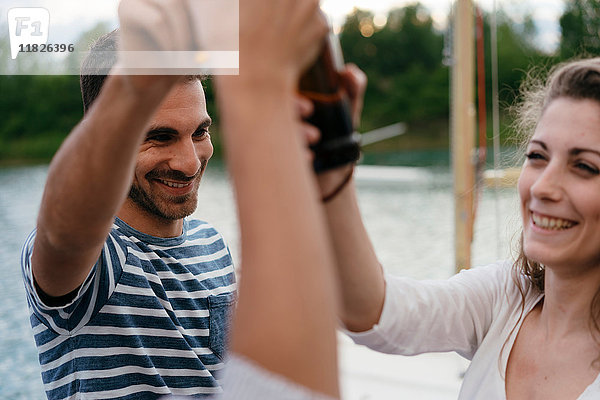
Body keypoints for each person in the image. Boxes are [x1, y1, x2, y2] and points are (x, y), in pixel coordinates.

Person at [317, 57, 600, 399]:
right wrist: (333, 158)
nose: (542, 187)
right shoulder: (506, 298)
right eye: (538, 157)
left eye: (584, 166)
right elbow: (376, 313)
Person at [20, 18, 236, 400]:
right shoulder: (98, 262)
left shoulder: (213, 243)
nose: (189, 161)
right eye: (159, 137)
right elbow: (62, 234)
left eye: (199, 132)